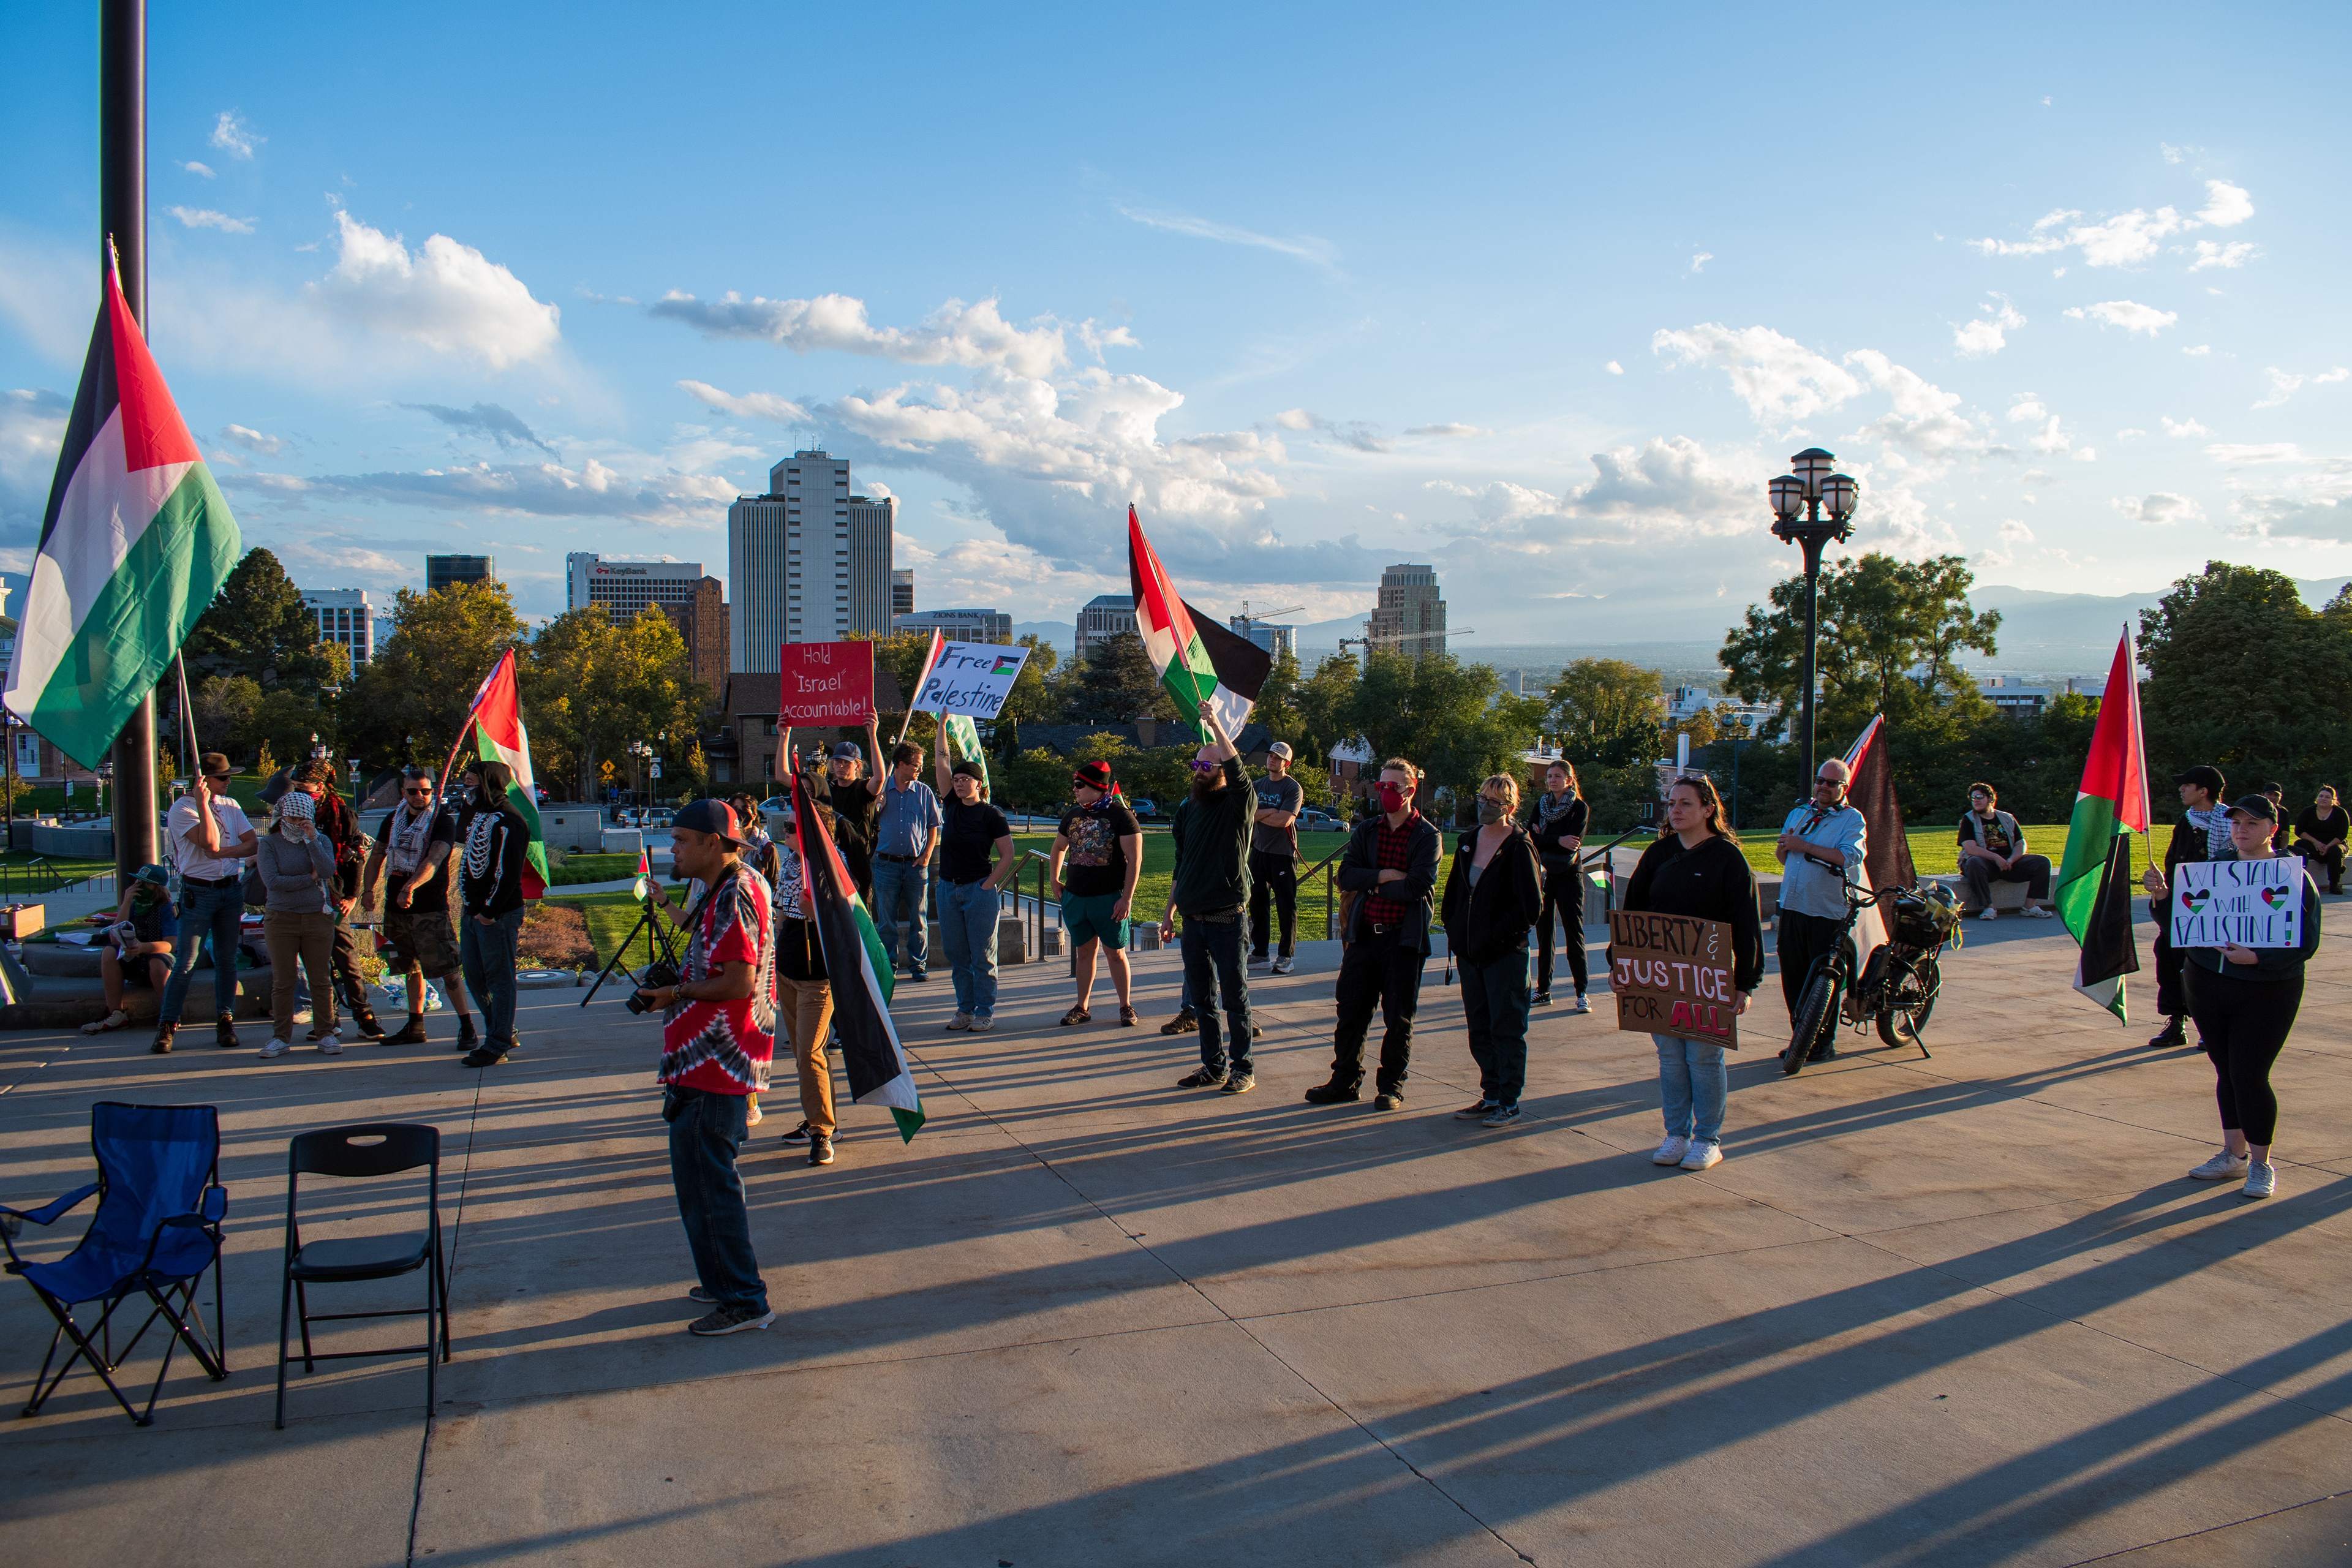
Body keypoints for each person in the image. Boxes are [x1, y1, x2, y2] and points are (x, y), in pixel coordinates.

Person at [634, 797, 778, 1334]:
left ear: (712, 843)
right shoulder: (728, 887)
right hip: (710, 1061)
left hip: (719, 1063)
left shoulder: (736, 893)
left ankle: (745, 1300)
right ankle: (723, 1281)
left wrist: (675, 991)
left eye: (681, 841)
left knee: (712, 1188)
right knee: (699, 1186)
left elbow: (738, 983)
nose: (672, 849)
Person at [2145, 793, 2321, 1200]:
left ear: (2272, 829)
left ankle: (2261, 1164)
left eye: (2253, 824)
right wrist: (2162, 896)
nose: (2243, 831)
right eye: (2238, 823)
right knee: (2226, 1070)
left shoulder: (2292, 875)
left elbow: (2305, 942)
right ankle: (2233, 1156)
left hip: (2268, 991)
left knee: (2250, 1074)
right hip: (2207, 986)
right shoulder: (2214, 868)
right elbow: (2180, 926)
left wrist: (2257, 957)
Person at [1621, 774, 1763, 1172]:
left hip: (1709, 977)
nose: (1676, 810)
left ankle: (1707, 1139)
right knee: (1670, 1056)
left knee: (1703, 1057)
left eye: (1685, 803)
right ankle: (1676, 1134)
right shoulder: (1658, 854)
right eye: (1671, 803)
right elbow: (1632, 913)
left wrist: (1745, 982)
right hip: (1660, 974)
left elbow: (1747, 924)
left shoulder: (1728, 859)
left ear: (1708, 809)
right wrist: (1623, 967)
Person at [1310, 756, 1441, 1110]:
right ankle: (1344, 1081)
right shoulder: (1367, 830)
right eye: (1380, 786)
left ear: (1411, 791)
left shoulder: (1428, 836)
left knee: (1398, 1016)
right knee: (1351, 1011)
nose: (1385, 792)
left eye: (1393, 787)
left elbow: (1417, 886)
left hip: (1403, 940)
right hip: (1364, 936)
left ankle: (1392, 1086)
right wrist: (1384, 876)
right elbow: (1346, 876)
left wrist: (1371, 882)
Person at [1439, 774, 1544, 1127]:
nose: (1483, 806)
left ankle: (1509, 1101)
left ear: (1510, 808)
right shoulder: (1469, 840)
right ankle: (1491, 1093)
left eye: (1493, 802)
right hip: (1471, 955)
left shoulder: (1519, 846)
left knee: (1507, 1028)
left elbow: (1529, 908)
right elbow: (1453, 894)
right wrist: (1456, 932)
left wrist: (1494, 938)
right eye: (1481, 798)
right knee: (1479, 1027)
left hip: (1504, 956)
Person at [1163, 700, 1258, 1093]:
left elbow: (1239, 776)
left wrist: (1217, 725)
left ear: (1221, 770)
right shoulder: (1189, 809)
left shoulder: (1238, 805)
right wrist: (1169, 912)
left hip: (1226, 918)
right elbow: (1181, 864)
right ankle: (1212, 1065)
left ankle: (1243, 1068)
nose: (1200, 772)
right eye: (1196, 766)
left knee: (1234, 999)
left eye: (1208, 766)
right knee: (1201, 1000)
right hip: (1192, 920)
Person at [362, 767, 478, 1050]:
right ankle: (415, 1027)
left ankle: (467, 1027)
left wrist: (410, 888)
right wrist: (367, 890)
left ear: (432, 791)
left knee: (448, 970)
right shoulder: (393, 819)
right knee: (409, 969)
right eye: (413, 791)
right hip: (397, 908)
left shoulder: (441, 821)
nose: (419, 796)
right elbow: (378, 854)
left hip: (430, 909)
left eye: (425, 791)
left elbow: (435, 858)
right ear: (404, 792)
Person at [153, 752, 256, 1054]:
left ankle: (225, 1019)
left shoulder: (231, 805)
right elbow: (209, 842)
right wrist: (202, 803)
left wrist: (225, 855)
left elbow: (252, 843)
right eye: (222, 778)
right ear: (203, 781)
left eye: (229, 777)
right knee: (186, 962)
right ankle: (167, 1024)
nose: (228, 783)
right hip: (199, 892)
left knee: (227, 959)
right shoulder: (183, 809)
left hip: (230, 889)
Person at [1775, 757, 1866, 1066]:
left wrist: (1804, 846)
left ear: (1844, 786)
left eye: (1831, 783)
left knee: (1822, 980)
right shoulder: (1800, 812)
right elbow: (1785, 857)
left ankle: (1823, 1042)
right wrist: (1786, 847)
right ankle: (1801, 1039)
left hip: (1826, 912)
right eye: (1819, 780)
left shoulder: (1852, 819)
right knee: (1793, 978)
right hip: (1792, 906)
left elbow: (1849, 856)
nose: (1823, 787)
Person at [290, 758, 385, 1040]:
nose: (299, 795)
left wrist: (353, 896)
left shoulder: (341, 814)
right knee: (315, 962)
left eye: (304, 789)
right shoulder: (291, 812)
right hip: (302, 895)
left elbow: (355, 855)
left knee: (345, 958)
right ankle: (327, 1019)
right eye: (295, 788)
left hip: (334, 894)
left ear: (321, 786)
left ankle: (364, 1016)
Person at [932, 721, 1016, 1032]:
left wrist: (987, 885)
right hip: (947, 889)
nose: (958, 783)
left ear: (978, 784)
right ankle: (964, 1010)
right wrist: (941, 725)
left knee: (982, 954)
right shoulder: (951, 805)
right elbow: (941, 759)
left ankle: (984, 1010)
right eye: (956, 779)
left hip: (978, 891)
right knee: (956, 954)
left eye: (966, 779)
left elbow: (1007, 855)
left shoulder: (991, 815)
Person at [1049, 761, 1142, 1026]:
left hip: (1110, 898)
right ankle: (1082, 1007)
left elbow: (1135, 860)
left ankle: (1125, 1006)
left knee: (1115, 953)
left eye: (1079, 785)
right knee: (1084, 952)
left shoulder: (1122, 817)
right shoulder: (1073, 815)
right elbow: (1058, 848)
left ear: (1097, 788)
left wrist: (1127, 898)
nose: (1074, 790)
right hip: (1077, 897)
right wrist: (1055, 880)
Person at [2144, 765, 2230, 1050]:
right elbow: (2173, 864)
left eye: (2186, 785)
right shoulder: (2186, 821)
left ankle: (2212, 1025)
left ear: (2203, 791)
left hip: (2218, 910)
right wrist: (2159, 886)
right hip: (2183, 906)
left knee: (2210, 967)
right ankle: (2176, 1022)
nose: (2180, 789)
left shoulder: (2230, 824)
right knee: (2167, 955)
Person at [456, 760, 532, 1068]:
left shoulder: (509, 821)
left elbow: (508, 872)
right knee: (474, 975)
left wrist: (488, 911)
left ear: (488, 784)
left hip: (497, 915)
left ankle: (498, 1042)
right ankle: (501, 1029)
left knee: (500, 979)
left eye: (471, 782)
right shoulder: (481, 815)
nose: (466, 788)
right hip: (472, 912)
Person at [257, 791, 342, 1059]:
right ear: (283, 816)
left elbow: (328, 872)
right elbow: (273, 882)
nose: (298, 823)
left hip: (318, 916)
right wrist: (309, 878)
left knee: (320, 979)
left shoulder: (320, 840)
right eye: (293, 818)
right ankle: (280, 1037)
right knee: (283, 982)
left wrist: (312, 841)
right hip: (281, 918)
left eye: (304, 818)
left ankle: (326, 1034)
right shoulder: (269, 844)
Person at [78, 865, 178, 1036]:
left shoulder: (167, 908)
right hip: (134, 959)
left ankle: (169, 1016)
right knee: (109, 951)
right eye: (138, 881)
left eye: (145, 883)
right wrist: (126, 904)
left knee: (157, 960)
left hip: (159, 963)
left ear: (157, 887)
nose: (139, 886)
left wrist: (143, 947)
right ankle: (116, 1013)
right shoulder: (132, 906)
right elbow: (114, 938)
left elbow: (172, 944)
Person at [872, 740, 942, 980]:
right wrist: (875, 807)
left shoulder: (924, 792)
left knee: (919, 918)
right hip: (886, 864)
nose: (920, 770)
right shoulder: (880, 791)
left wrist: (927, 855)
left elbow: (934, 825)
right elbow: (868, 823)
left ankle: (918, 965)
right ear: (900, 764)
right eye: (916, 765)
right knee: (886, 921)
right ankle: (888, 965)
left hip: (916, 866)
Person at [1525, 760, 1591, 1010]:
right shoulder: (1540, 806)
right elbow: (1531, 839)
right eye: (1549, 776)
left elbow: (1573, 842)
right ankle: (1543, 990)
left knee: (1574, 933)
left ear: (1569, 780)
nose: (1552, 780)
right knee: (1544, 934)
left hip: (1569, 875)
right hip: (1543, 875)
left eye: (1557, 776)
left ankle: (1582, 992)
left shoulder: (1579, 809)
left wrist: (1545, 837)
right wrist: (1555, 839)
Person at [802, 718, 884, 899]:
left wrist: (872, 735)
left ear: (857, 765)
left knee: (858, 920)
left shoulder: (863, 789)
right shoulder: (827, 789)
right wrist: (784, 736)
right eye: (837, 762)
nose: (840, 766)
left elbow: (879, 778)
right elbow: (783, 777)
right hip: (830, 862)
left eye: (846, 762)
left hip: (857, 864)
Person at [1956, 782, 2055, 922]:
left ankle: (2029, 907)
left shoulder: (2007, 818)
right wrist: (1996, 858)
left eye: (1979, 796)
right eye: (1973, 798)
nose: (1976, 801)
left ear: (1991, 798)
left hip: (2009, 863)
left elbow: (2021, 843)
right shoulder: (1969, 820)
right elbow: (1970, 848)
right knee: (1973, 862)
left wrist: (2011, 860)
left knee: (2042, 862)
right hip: (1985, 864)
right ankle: (1988, 907)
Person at [1248, 741, 1303, 975]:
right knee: (1257, 904)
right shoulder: (1257, 785)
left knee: (1285, 906)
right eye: (1270, 755)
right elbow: (1246, 814)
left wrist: (1261, 815)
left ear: (1286, 763)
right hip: (1258, 851)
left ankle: (1286, 956)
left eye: (1277, 758)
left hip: (1282, 854)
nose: (1272, 760)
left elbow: (1285, 821)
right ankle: (1260, 953)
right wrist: (1272, 811)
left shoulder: (1293, 789)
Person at [2291, 785, 2348, 894]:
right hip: (2314, 843)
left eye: (2327, 797)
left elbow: (2341, 835)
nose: (2323, 799)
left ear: (2334, 800)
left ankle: (2334, 885)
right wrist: (2316, 843)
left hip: (2335, 844)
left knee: (2335, 851)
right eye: (2321, 796)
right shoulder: (2308, 811)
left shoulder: (2340, 813)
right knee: (2299, 844)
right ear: (2316, 798)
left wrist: (2327, 847)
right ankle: (2299, 881)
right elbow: (2299, 831)